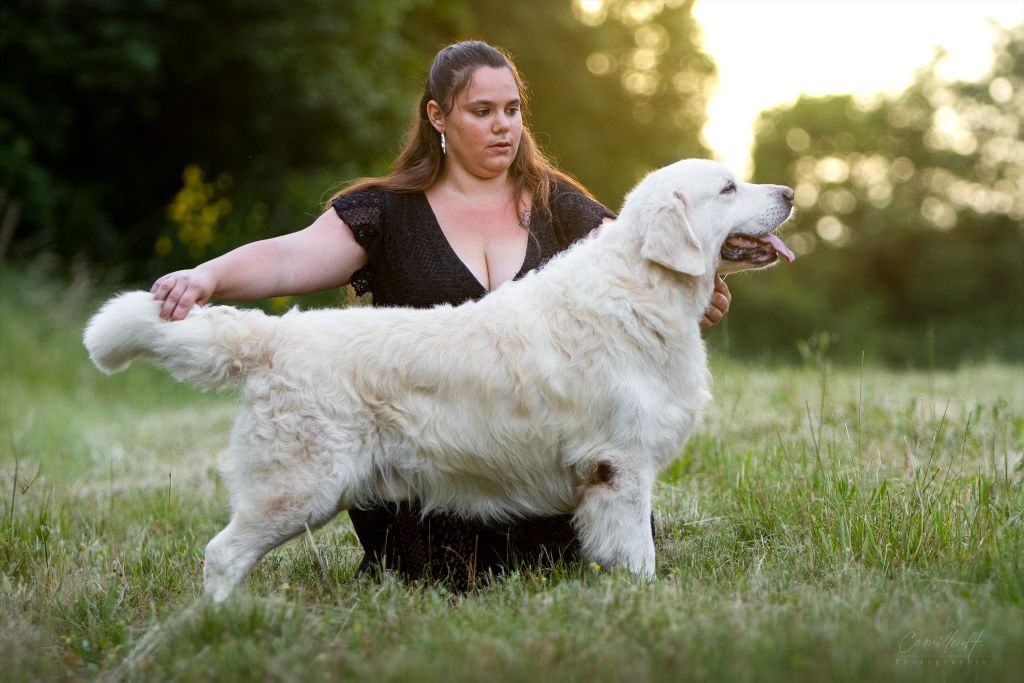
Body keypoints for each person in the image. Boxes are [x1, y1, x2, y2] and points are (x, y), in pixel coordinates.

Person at [151, 40, 731, 589]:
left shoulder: (561, 205)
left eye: (512, 109)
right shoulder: (385, 211)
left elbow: (650, 248)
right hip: (432, 492)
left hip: (543, 491)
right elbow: (287, 257)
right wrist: (208, 276)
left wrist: (698, 288)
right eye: (482, 111)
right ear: (438, 115)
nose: (503, 125)